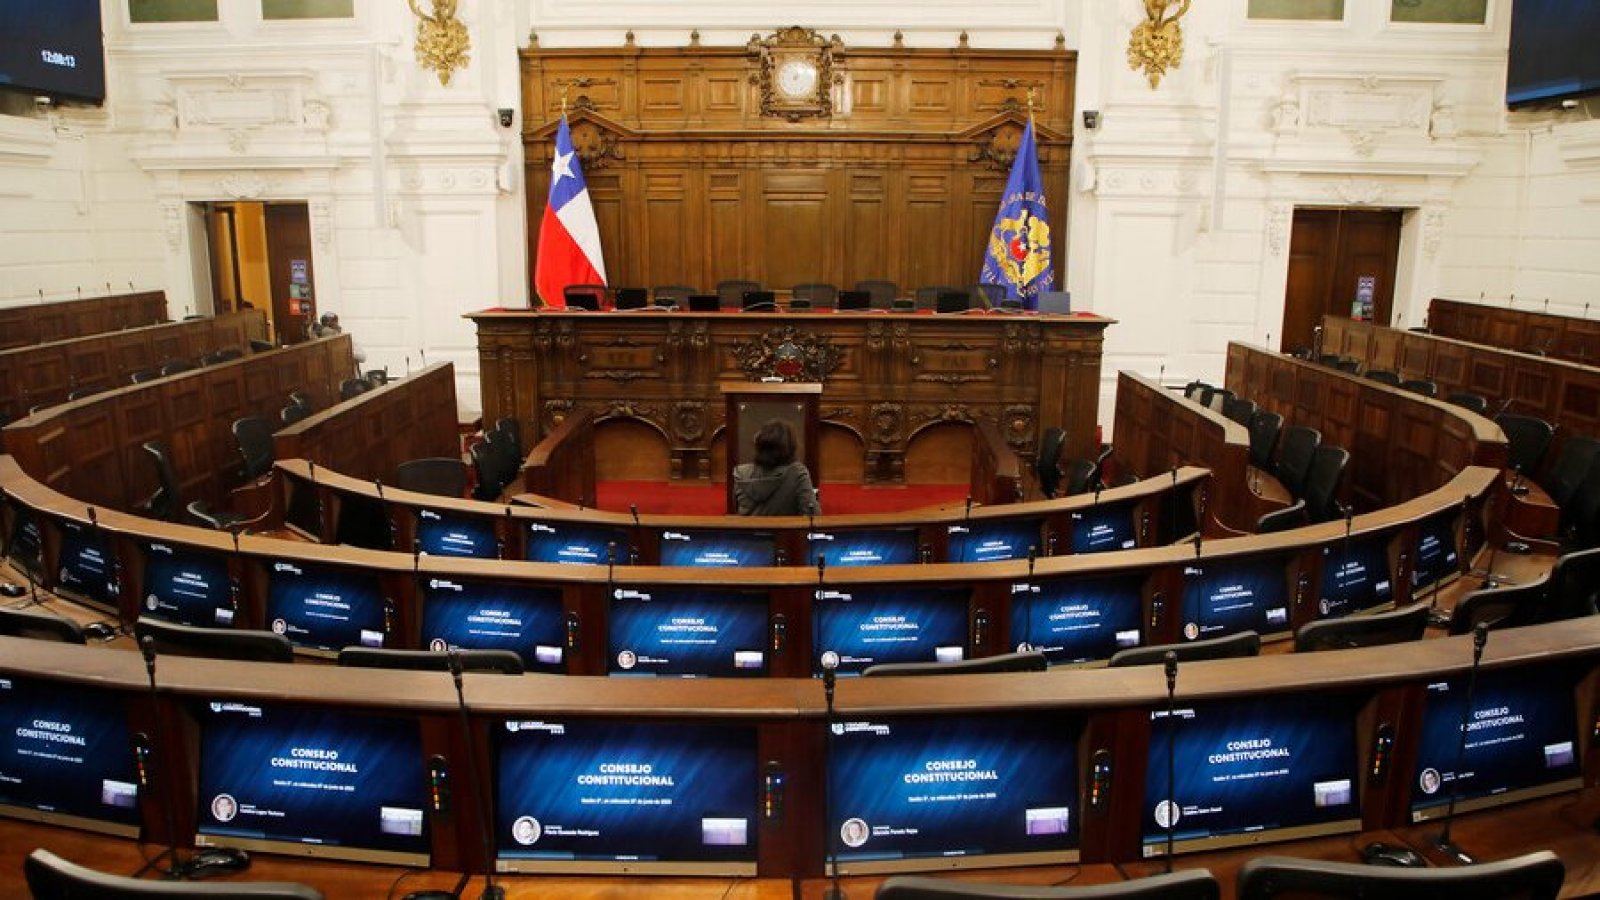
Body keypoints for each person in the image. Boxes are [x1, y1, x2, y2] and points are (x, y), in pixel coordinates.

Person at [734, 420, 821, 516]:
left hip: (747, 530)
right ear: (790, 446)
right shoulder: (797, 473)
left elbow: (736, 509)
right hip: (786, 530)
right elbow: (812, 515)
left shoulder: (740, 473)